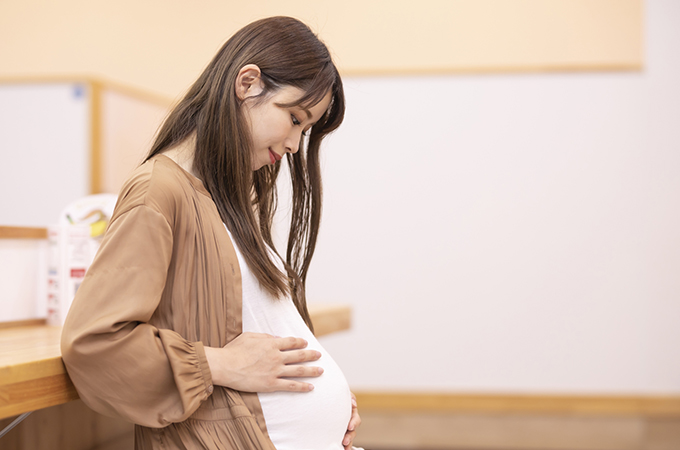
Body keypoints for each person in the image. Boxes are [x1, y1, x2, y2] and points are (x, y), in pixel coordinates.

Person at [61, 16, 362, 450]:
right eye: (294, 118)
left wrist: (333, 400)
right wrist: (218, 365)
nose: (296, 144)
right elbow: (94, 344)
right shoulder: (158, 191)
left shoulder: (230, 197)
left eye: (306, 128)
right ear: (248, 83)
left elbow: (262, 324)